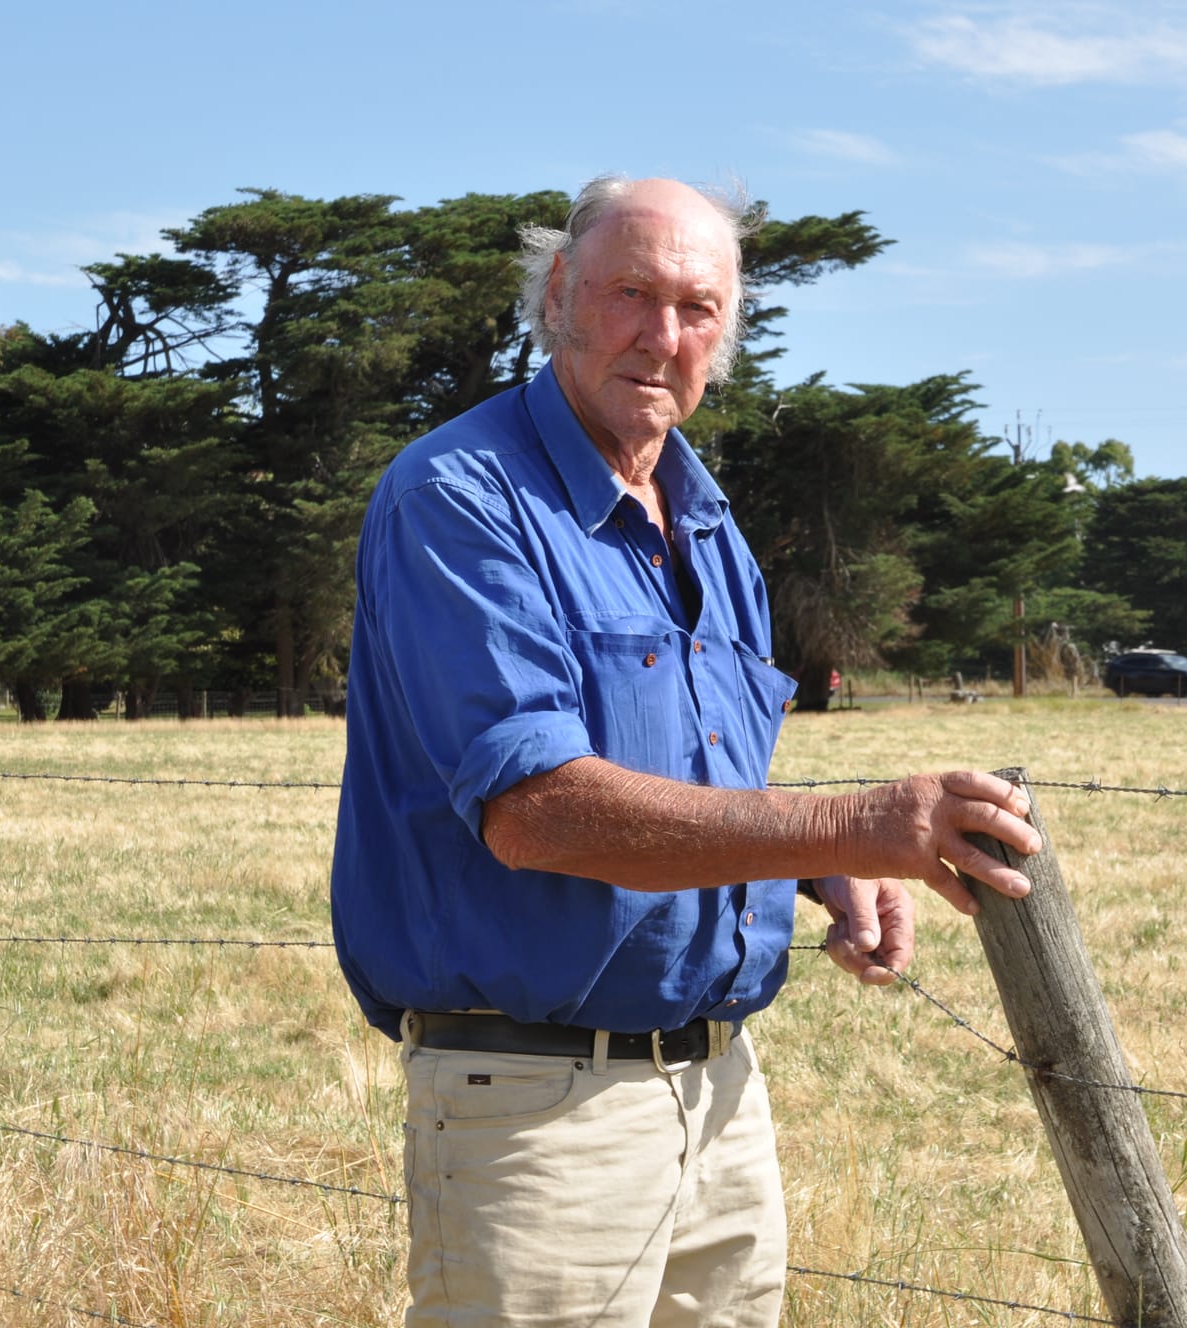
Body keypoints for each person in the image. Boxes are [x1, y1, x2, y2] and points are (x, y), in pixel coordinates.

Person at [329, 175, 1042, 1327]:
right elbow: (539, 808)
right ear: (557, 294)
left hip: (720, 1094)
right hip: (533, 1110)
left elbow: (704, 784)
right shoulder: (459, 498)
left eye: (698, 308)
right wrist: (860, 823)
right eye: (631, 293)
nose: (662, 336)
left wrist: (813, 867)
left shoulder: (706, 522)